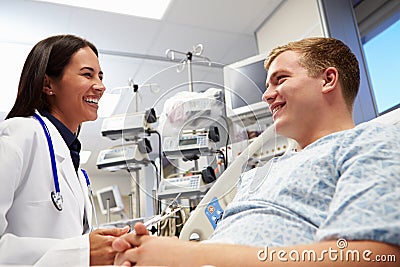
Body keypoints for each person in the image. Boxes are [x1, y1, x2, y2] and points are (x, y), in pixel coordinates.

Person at [112, 37, 400, 266]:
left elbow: (371, 257)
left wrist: (191, 256)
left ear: (327, 80)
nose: (266, 95)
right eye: (267, 85)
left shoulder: (369, 142)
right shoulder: (259, 174)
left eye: (280, 79)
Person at [0, 34, 129, 266]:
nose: (101, 86)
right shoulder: (19, 134)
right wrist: (83, 251)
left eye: (100, 76)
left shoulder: (74, 166)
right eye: (87, 74)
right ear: (48, 84)